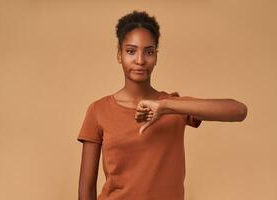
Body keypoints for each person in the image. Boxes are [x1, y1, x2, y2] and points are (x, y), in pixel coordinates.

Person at [77, 10, 247, 200]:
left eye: (149, 52)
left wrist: (166, 106)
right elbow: (86, 188)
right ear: (119, 55)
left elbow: (239, 110)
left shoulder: (174, 106)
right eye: (131, 51)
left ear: (156, 57)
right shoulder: (99, 110)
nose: (140, 60)